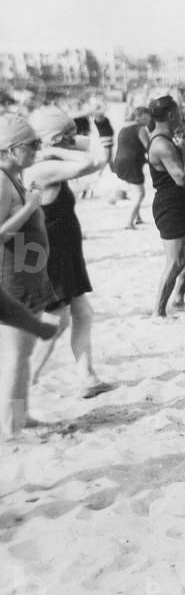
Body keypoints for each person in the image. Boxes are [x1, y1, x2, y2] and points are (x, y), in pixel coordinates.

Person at [25, 106, 113, 399]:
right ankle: (27, 377)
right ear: (52, 139)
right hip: (49, 250)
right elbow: (93, 161)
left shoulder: (47, 158)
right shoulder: (41, 167)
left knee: (82, 313)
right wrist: (56, 149)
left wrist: (98, 124)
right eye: (66, 136)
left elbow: (91, 148)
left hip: (62, 248)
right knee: (57, 319)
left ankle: (87, 377)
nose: (73, 140)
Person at [0, 115, 58, 439]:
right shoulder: (1, 181)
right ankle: (10, 428)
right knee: (15, 357)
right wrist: (31, 205)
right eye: (32, 144)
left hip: (28, 275)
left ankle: (22, 418)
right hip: (14, 280)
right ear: (10, 149)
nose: (38, 149)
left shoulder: (14, 177)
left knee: (23, 356)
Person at [148, 96, 185, 317]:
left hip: (182, 206)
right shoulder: (162, 143)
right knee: (175, 261)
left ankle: (178, 298)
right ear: (170, 115)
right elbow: (181, 178)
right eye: (178, 111)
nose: (181, 114)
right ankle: (158, 312)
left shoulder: (169, 139)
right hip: (170, 208)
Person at [111, 106, 151, 229]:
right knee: (140, 193)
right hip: (131, 163)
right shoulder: (141, 129)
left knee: (135, 191)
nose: (150, 119)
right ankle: (129, 222)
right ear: (142, 116)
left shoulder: (124, 128)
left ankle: (137, 218)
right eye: (148, 116)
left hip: (119, 162)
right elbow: (149, 147)